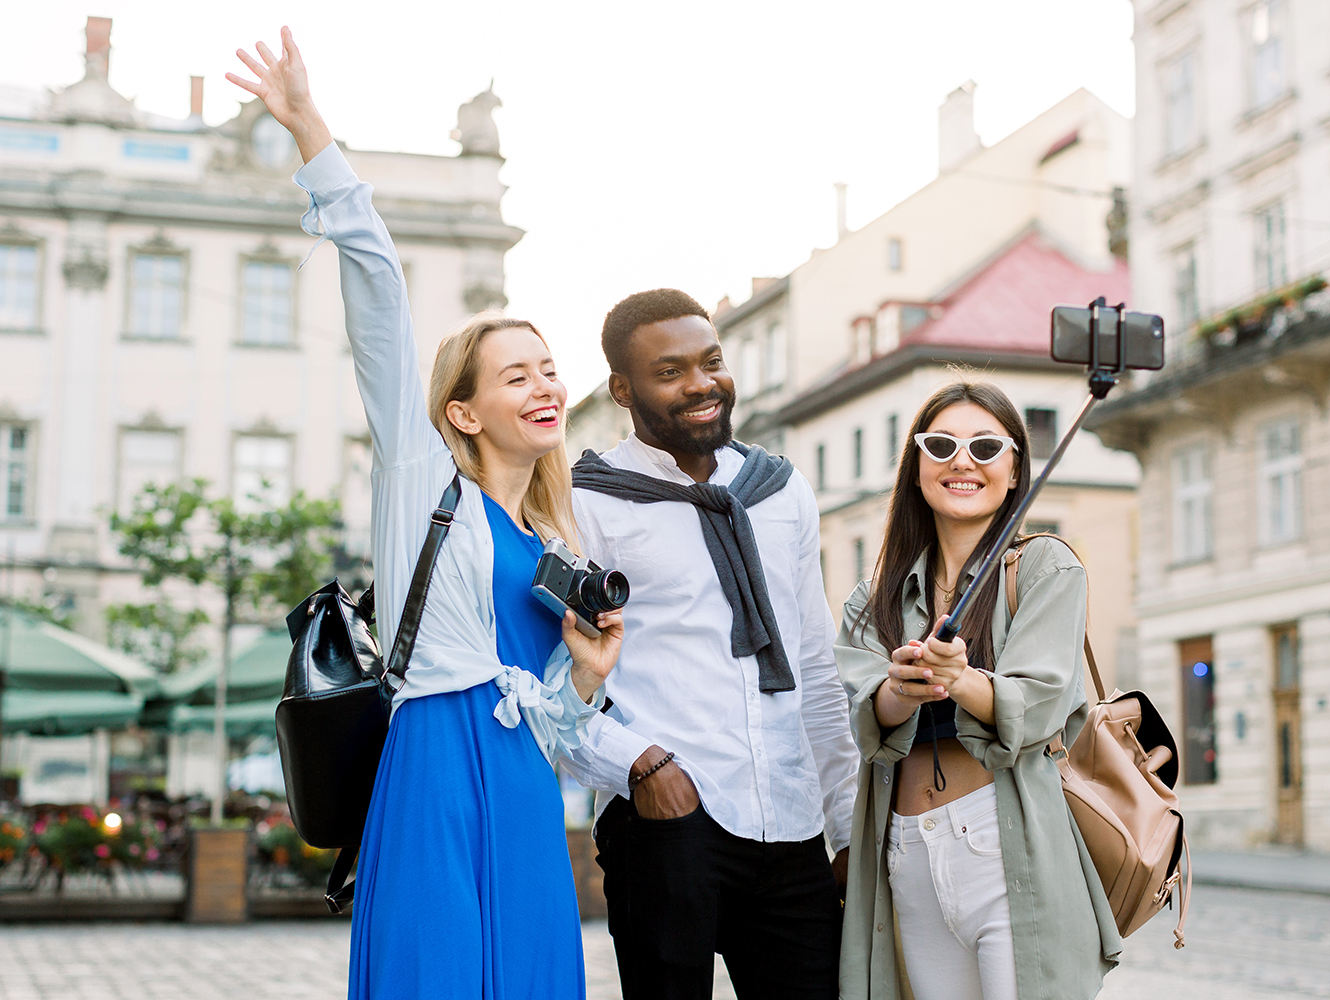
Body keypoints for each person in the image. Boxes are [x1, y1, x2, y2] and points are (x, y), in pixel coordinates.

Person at [227, 30, 623, 1000]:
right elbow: (376, 288)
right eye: (515, 374)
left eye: (549, 370)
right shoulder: (424, 483)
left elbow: (561, 733)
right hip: (433, 763)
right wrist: (313, 133)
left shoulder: (555, 543)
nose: (544, 385)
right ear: (460, 409)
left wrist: (585, 676)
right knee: (434, 975)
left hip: (526, 789)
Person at [559, 289, 860, 1000]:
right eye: (670, 372)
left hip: (790, 820)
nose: (700, 384)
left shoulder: (781, 491)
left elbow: (814, 663)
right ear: (623, 390)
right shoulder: (583, 503)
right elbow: (552, 683)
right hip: (668, 820)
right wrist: (643, 767)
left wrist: (845, 822)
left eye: (712, 362)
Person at [835, 380, 1120, 1000]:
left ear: (1016, 469)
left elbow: (1041, 703)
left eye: (987, 447)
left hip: (1007, 842)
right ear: (915, 468)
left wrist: (961, 679)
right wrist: (904, 688)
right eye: (940, 445)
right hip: (906, 851)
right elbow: (863, 713)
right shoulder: (872, 600)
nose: (962, 461)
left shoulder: (1047, 567)